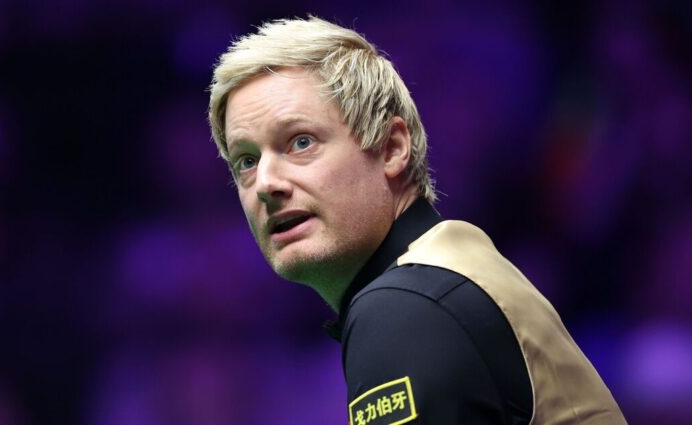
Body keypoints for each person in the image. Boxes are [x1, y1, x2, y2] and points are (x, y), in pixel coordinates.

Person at [208, 16, 627, 425]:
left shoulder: (404, 307)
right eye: (246, 161)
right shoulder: (449, 276)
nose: (266, 183)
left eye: (301, 142)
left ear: (392, 148)